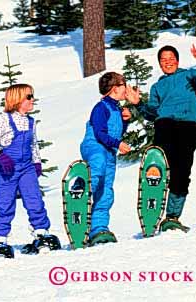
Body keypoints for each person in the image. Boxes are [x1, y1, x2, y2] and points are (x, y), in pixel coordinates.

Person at [128, 44, 196, 232]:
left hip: (187, 126)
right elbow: (151, 113)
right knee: (160, 167)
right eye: (163, 60)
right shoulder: (157, 86)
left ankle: (172, 216)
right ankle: (152, 209)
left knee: (181, 170)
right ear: (159, 64)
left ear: (177, 60)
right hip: (164, 125)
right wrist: (138, 103)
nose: (168, 62)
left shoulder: (189, 75)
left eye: (171, 58)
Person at [0, 84, 60, 259]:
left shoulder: (30, 121)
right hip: (6, 169)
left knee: (34, 200)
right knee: (5, 204)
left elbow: (33, 144)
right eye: (29, 97)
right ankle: (0, 240)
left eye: (32, 96)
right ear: (17, 100)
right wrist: (1, 155)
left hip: (26, 168)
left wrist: (37, 163)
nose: (33, 100)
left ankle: (40, 232)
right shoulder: (4, 119)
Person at [80, 71, 138, 245]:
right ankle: (81, 194)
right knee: (97, 169)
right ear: (114, 88)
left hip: (109, 151)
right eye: (123, 85)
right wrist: (118, 144)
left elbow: (116, 131)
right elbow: (99, 133)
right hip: (95, 146)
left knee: (106, 191)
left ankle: (98, 228)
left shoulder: (117, 109)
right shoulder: (101, 107)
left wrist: (125, 120)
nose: (126, 89)